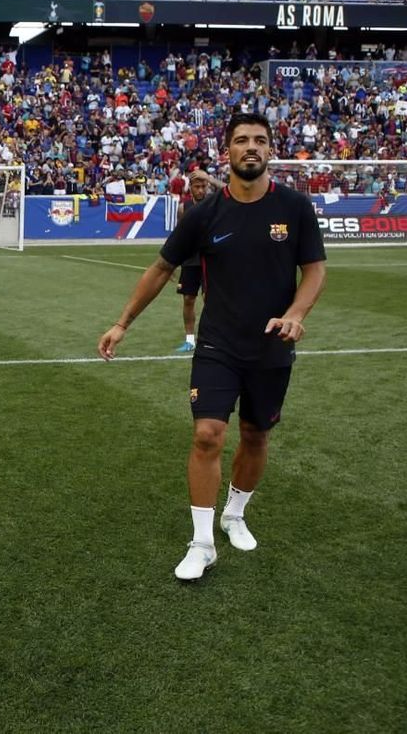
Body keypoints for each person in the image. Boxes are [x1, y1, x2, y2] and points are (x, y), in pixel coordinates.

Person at [97, 113, 326, 581]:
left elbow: (315, 270)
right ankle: (202, 543)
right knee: (206, 435)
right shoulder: (204, 214)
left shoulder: (295, 207)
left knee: (256, 434)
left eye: (260, 140)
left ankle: (235, 514)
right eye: (241, 140)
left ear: (270, 150)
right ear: (228, 151)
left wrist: (296, 314)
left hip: (271, 348)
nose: (251, 147)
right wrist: (122, 323)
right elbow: (161, 268)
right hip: (217, 344)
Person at [173, 169, 224, 352]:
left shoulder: (215, 203)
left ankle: (214, 337)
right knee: (188, 299)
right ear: (191, 189)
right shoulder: (183, 208)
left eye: (204, 186)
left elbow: (231, 190)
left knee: (211, 299)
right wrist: (172, 262)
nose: (201, 190)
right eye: (197, 187)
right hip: (190, 259)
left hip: (211, 258)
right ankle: (189, 339)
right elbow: (178, 237)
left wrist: (209, 178)